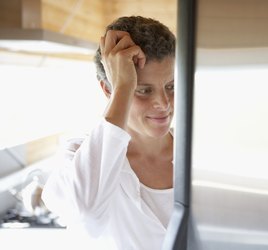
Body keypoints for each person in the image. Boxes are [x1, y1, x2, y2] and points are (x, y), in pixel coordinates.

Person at [42, 16, 176, 250]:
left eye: (171, 86)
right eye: (143, 90)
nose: (163, 103)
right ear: (108, 89)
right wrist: (123, 86)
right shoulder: (75, 156)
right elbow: (87, 216)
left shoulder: (200, 151)